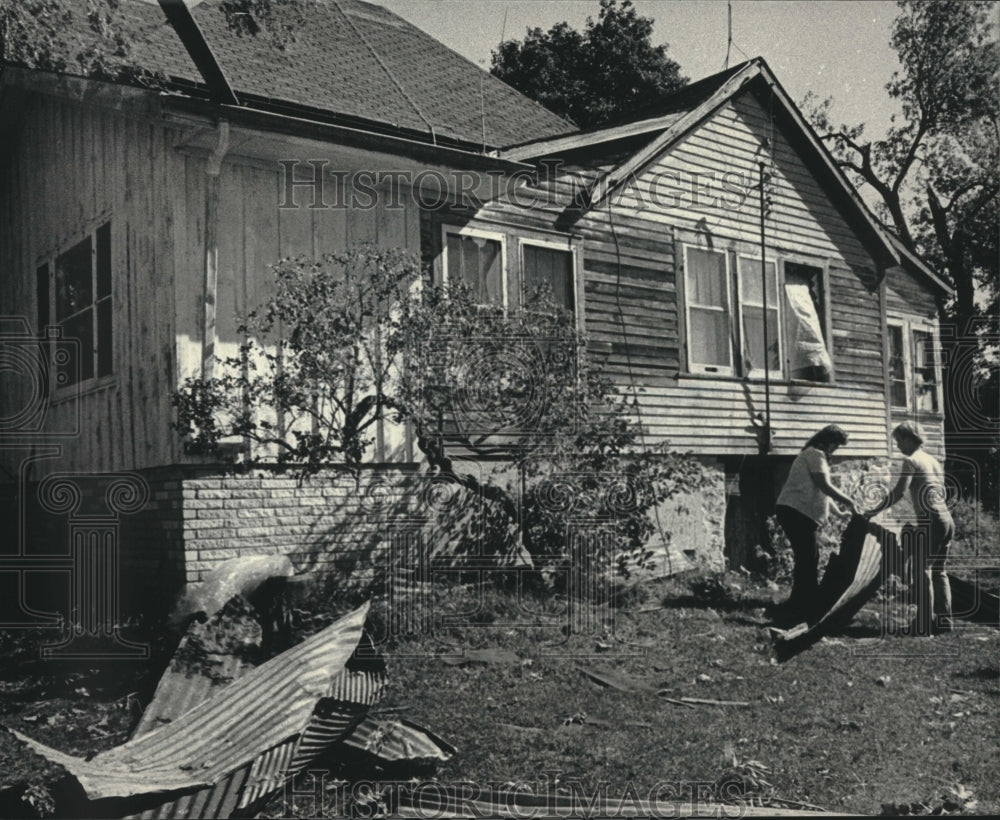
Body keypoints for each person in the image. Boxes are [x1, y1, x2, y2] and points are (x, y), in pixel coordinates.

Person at [863, 422, 954, 635]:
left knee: (922, 571)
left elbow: (898, 492)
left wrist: (872, 511)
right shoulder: (932, 460)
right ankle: (944, 621)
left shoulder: (911, 460)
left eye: (898, 441)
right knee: (939, 571)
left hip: (931, 521)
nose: (898, 446)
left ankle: (922, 625)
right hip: (946, 519)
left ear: (908, 438)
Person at [774, 425, 858, 622]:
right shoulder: (815, 455)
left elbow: (821, 493)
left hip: (799, 513)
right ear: (825, 442)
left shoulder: (812, 455)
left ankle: (800, 602)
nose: (834, 450)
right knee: (808, 559)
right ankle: (804, 606)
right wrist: (851, 502)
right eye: (834, 446)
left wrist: (839, 513)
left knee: (808, 558)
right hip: (796, 512)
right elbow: (824, 486)